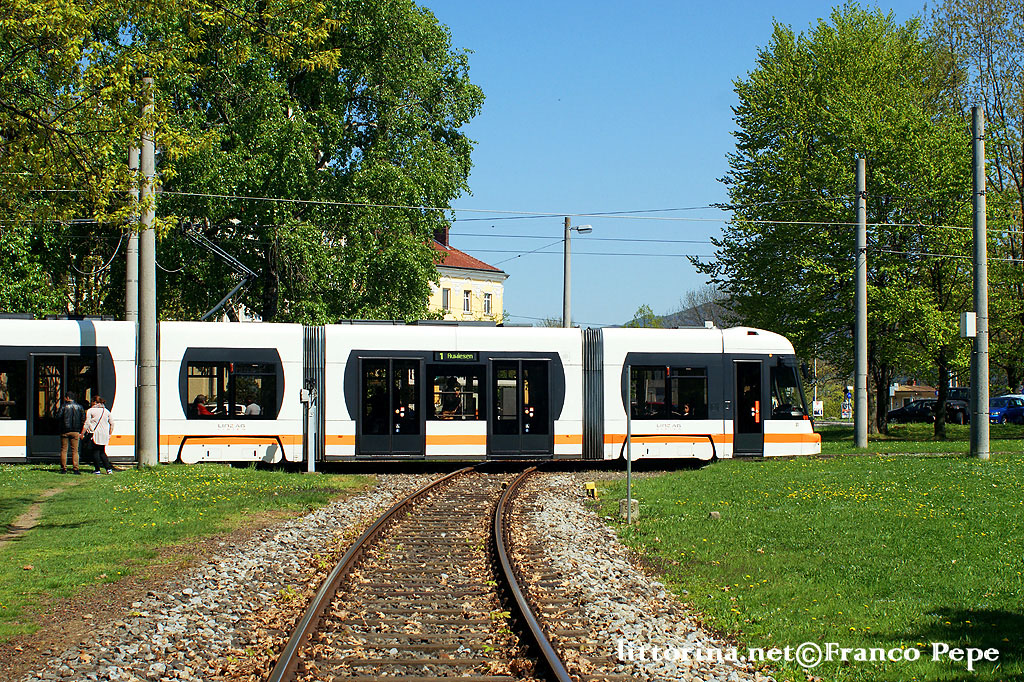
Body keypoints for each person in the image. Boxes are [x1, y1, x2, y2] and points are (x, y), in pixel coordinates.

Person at [81, 395, 114, 474]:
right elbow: (112, 423)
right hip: (104, 434)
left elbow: (87, 423)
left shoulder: (90, 411)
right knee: (102, 451)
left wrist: (82, 433)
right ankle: (108, 469)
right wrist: (110, 433)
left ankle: (97, 469)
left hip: (95, 434)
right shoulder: (106, 411)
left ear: (94, 402)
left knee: (95, 452)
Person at [55, 392, 85, 474]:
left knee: (64, 450)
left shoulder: (63, 406)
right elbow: (83, 419)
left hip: (64, 431)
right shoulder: (79, 407)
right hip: (75, 431)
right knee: (75, 451)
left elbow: (58, 416)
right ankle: (76, 468)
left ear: (67, 398)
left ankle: (64, 468)